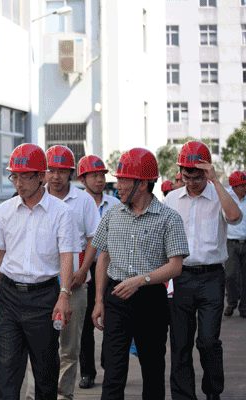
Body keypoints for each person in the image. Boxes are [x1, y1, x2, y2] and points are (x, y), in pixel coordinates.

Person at [91, 148, 190, 400]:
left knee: (153, 369)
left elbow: (175, 266)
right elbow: (103, 257)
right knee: (113, 371)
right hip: (116, 298)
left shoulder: (169, 218)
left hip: (151, 300)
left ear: (143, 183)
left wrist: (141, 280)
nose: (118, 186)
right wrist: (99, 300)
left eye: (123, 180)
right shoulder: (112, 215)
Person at [0, 143, 79, 400]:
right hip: (9, 297)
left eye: (24, 177)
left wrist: (64, 295)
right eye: (14, 177)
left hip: (44, 298)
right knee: (7, 368)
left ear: (41, 176)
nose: (19, 183)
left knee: (45, 369)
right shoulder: (5, 210)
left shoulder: (62, 212)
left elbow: (67, 256)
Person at [165, 141, 242, 400]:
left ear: (207, 172)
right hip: (180, 277)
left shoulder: (220, 195)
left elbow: (234, 217)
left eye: (198, 177)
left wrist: (216, 182)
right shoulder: (171, 200)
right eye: (187, 177)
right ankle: (183, 396)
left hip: (211, 278)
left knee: (208, 341)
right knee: (180, 342)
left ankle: (213, 391)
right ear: (181, 172)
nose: (192, 183)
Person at [24, 145, 100, 400]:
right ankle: (35, 395)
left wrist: (84, 270)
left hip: (75, 284)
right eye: (52, 170)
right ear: (43, 172)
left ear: (71, 173)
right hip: (41, 286)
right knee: (38, 346)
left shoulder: (84, 201)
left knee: (69, 347)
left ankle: (63, 394)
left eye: (62, 171)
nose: (56, 176)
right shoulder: (34, 197)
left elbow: (94, 238)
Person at [76, 154, 120, 390]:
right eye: (93, 175)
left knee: (112, 319)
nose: (99, 179)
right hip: (86, 266)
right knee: (85, 324)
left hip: (112, 268)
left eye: (102, 175)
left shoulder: (115, 204)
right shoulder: (77, 204)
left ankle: (109, 365)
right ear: (82, 179)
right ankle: (87, 372)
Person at [224, 170, 246, 319]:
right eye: (242, 185)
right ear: (234, 187)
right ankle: (231, 303)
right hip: (231, 243)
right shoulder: (226, 199)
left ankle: (244, 308)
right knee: (230, 275)